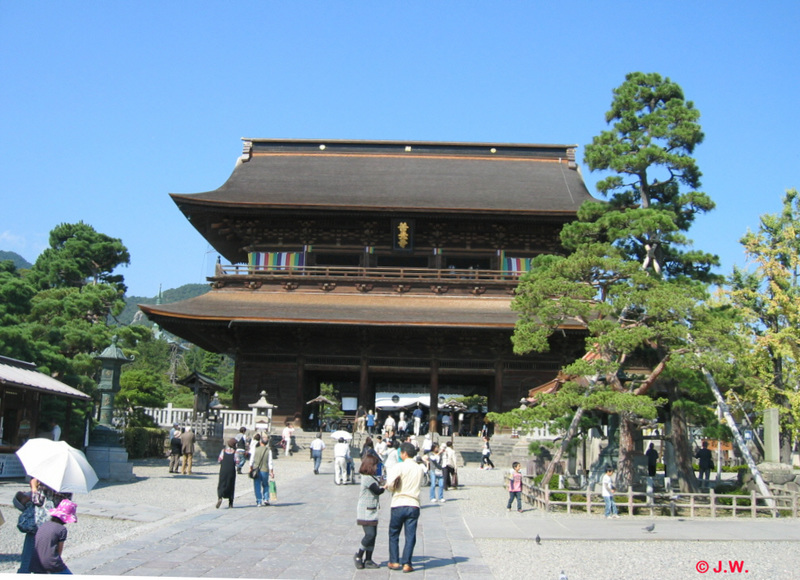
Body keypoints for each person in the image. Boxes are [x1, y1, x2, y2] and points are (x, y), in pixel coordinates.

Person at [18, 479, 72, 574]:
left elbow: (37, 500)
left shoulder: (46, 481)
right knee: (45, 559)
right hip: (53, 526)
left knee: (27, 561)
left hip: (37, 523)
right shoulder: (67, 484)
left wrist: (34, 488)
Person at [385, 441, 424, 573]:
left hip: (398, 502)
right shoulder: (419, 468)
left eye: (401, 452)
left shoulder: (399, 466)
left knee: (394, 533)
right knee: (410, 535)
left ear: (405, 453)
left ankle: (394, 560)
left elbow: (390, 485)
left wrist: (390, 487)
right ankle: (407, 563)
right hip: (413, 503)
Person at [353, 452, 384, 570]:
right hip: (365, 511)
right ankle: (358, 555)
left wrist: (381, 483)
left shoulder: (371, 477)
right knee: (369, 534)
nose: (377, 468)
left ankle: (369, 559)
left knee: (373, 535)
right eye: (375, 466)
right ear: (370, 466)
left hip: (372, 510)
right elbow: (377, 491)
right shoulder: (366, 478)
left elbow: (376, 485)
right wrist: (384, 487)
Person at [29, 499, 77, 574]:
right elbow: (59, 551)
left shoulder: (44, 524)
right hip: (52, 563)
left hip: (36, 562)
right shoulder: (62, 529)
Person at [250, 435, 275, 506]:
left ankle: (259, 500)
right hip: (265, 470)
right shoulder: (268, 451)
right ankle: (266, 499)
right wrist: (271, 472)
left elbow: (251, 460)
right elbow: (270, 462)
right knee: (265, 485)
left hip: (256, 470)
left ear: (260, 442)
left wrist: (251, 468)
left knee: (257, 485)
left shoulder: (255, 449)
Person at [217, 438, 238, 509]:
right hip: (231, 470)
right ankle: (230, 502)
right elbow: (237, 462)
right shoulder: (235, 452)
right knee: (230, 484)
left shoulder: (223, 451)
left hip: (223, 469)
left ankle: (220, 497)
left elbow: (219, 460)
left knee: (222, 483)